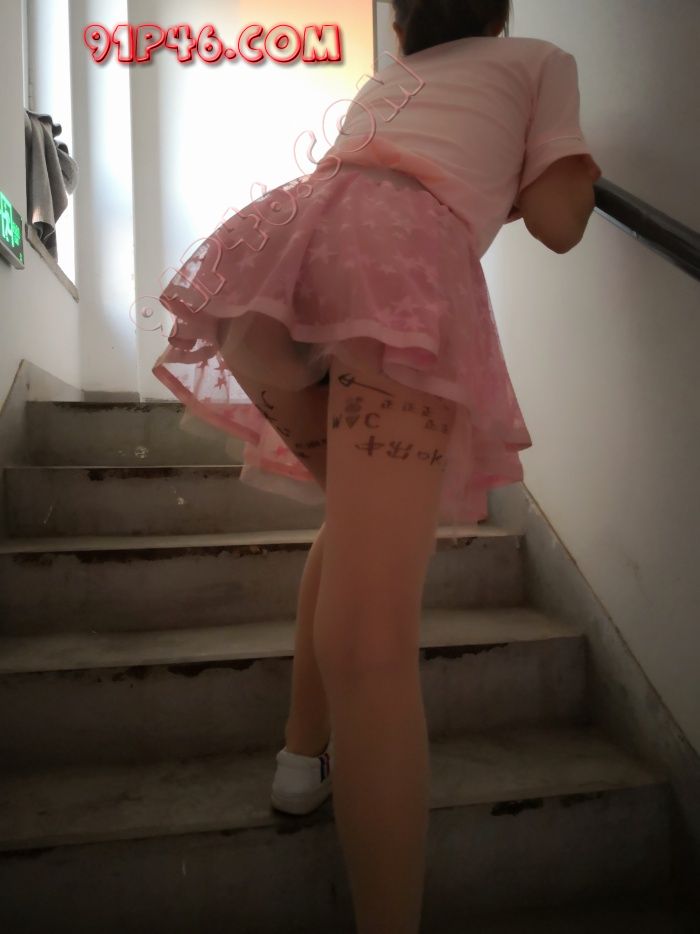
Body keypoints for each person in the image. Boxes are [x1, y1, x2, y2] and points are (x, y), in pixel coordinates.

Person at [151, 1, 602, 930]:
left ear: (399, 25)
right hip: (398, 271)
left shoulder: (390, 81)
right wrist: (562, 167)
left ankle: (299, 757)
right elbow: (561, 221)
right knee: (373, 628)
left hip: (278, 263)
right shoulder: (538, 60)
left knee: (353, 534)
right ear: (500, 9)